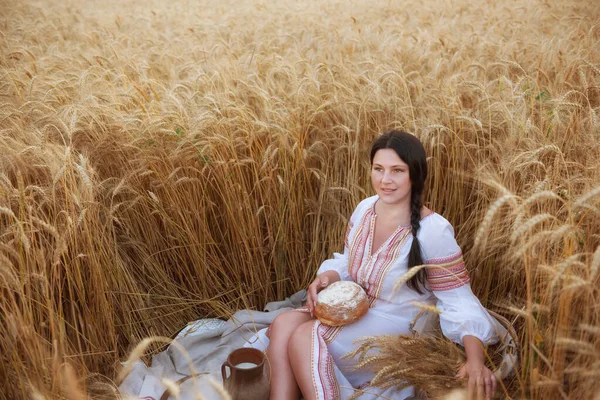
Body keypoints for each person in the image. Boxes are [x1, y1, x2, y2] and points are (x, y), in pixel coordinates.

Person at [263, 130, 499, 400]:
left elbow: (458, 297)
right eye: (379, 169)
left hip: (398, 324)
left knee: (305, 336)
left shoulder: (433, 231)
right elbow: (349, 260)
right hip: (356, 309)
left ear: (415, 175)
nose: (385, 180)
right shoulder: (365, 209)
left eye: (397, 170)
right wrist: (327, 276)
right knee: (283, 323)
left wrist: (475, 360)